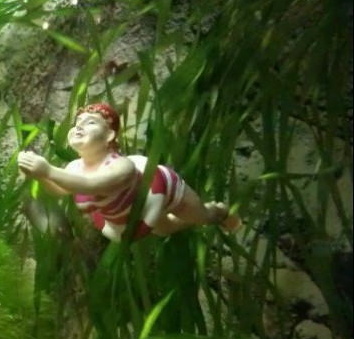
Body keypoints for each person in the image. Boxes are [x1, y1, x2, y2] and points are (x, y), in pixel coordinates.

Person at [18, 103, 240, 242]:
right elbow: (59, 190)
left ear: (109, 136)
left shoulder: (121, 166)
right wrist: (39, 175)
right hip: (131, 217)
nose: (79, 127)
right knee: (164, 229)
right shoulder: (74, 168)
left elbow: (95, 185)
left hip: (164, 190)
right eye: (77, 123)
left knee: (201, 216)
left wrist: (48, 170)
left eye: (90, 122)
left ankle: (217, 213)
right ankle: (195, 219)